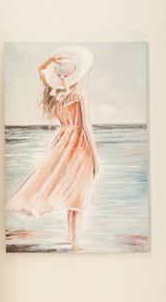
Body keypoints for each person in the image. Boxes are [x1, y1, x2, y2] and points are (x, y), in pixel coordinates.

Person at [8, 45, 99, 249]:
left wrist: (51, 61)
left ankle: (70, 236)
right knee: (78, 192)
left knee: (69, 189)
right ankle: (75, 242)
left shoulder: (52, 94)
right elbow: (86, 128)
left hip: (62, 144)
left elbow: (40, 71)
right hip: (79, 145)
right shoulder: (79, 95)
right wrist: (95, 157)